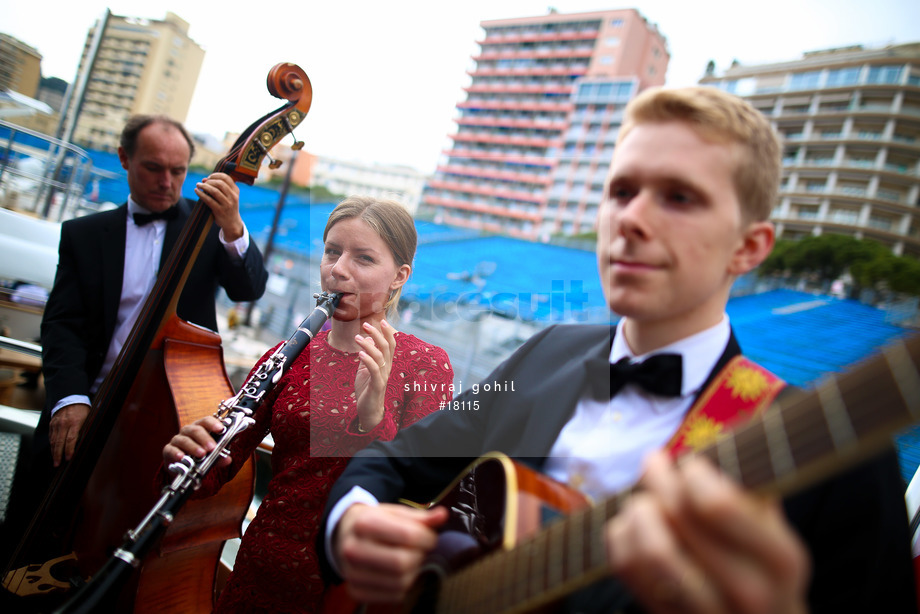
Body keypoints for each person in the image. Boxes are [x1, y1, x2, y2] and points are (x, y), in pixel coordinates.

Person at [320, 87, 916, 613]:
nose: (631, 218)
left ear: (750, 247)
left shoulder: (846, 463)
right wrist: (353, 524)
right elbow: (399, 458)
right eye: (621, 190)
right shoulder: (547, 352)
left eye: (679, 197)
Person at [162, 196, 454, 613]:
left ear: (398, 276)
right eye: (332, 252)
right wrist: (188, 458)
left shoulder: (426, 364)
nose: (338, 270)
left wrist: (373, 415)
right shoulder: (288, 354)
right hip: (260, 569)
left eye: (364, 258)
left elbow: (427, 493)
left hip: (349, 588)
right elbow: (216, 471)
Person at [34, 114, 268, 470]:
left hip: (167, 415)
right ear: (124, 158)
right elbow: (61, 324)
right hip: (86, 402)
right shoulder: (83, 234)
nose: (166, 182)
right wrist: (69, 399)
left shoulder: (209, 227)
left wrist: (234, 228)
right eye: (153, 168)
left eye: (178, 171)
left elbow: (248, 289)